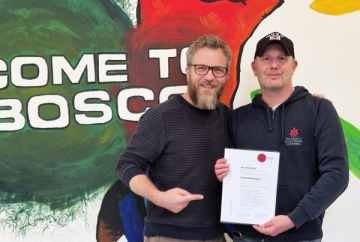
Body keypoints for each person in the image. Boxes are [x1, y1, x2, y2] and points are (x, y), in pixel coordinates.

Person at [215, 32, 349, 242]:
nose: (274, 65)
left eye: (281, 58)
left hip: (301, 235)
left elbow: (336, 175)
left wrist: (294, 219)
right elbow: (229, 176)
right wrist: (224, 174)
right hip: (248, 236)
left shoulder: (319, 110)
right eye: (266, 58)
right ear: (254, 67)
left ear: (294, 66)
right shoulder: (238, 117)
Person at [116, 35, 232, 241]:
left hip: (216, 235)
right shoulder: (160, 117)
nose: (209, 77)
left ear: (225, 75)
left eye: (218, 70)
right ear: (187, 72)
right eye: (201, 68)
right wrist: (159, 197)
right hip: (169, 236)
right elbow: (127, 164)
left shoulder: (229, 118)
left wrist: (307, 106)